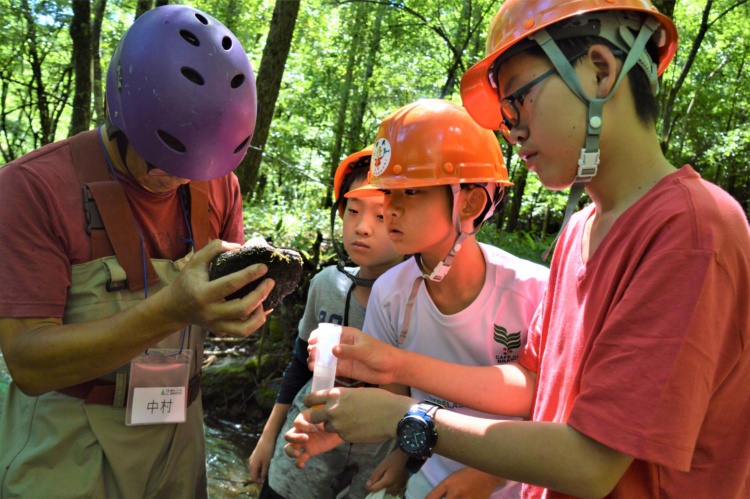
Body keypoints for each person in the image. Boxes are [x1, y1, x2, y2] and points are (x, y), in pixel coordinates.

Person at [286, 0, 750, 497]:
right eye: (505, 116)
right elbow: (531, 379)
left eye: (521, 101)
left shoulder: (692, 231)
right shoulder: (582, 228)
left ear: (599, 70)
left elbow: (592, 464)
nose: (514, 131)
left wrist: (409, 417)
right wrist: (396, 368)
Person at [0, 5, 273, 498]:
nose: (180, 177)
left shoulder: (220, 184)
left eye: (198, 165)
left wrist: (242, 302)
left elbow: (214, 312)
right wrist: (171, 310)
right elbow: (28, 365)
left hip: (178, 440)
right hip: (66, 447)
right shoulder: (33, 187)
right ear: (121, 111)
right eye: (162, 157)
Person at [289, 99, 550, 498]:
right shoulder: (392, 293)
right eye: (388, 192)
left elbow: (550, 403)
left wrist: (489, 476)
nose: (390, 209)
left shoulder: (533, 293)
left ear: (471, 202)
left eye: (409, 191)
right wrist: (391, 449)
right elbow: (397, 400)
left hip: (521, 480)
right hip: (431, 469)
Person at [248, 146, 406, 498]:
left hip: (374, 467)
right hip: (300, 454)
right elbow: (298, 367)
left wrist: (404, 457)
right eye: (352, 211)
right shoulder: (326, 285)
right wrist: (268, 437)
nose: (362, 228)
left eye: (380, 216)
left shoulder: (421, 303)